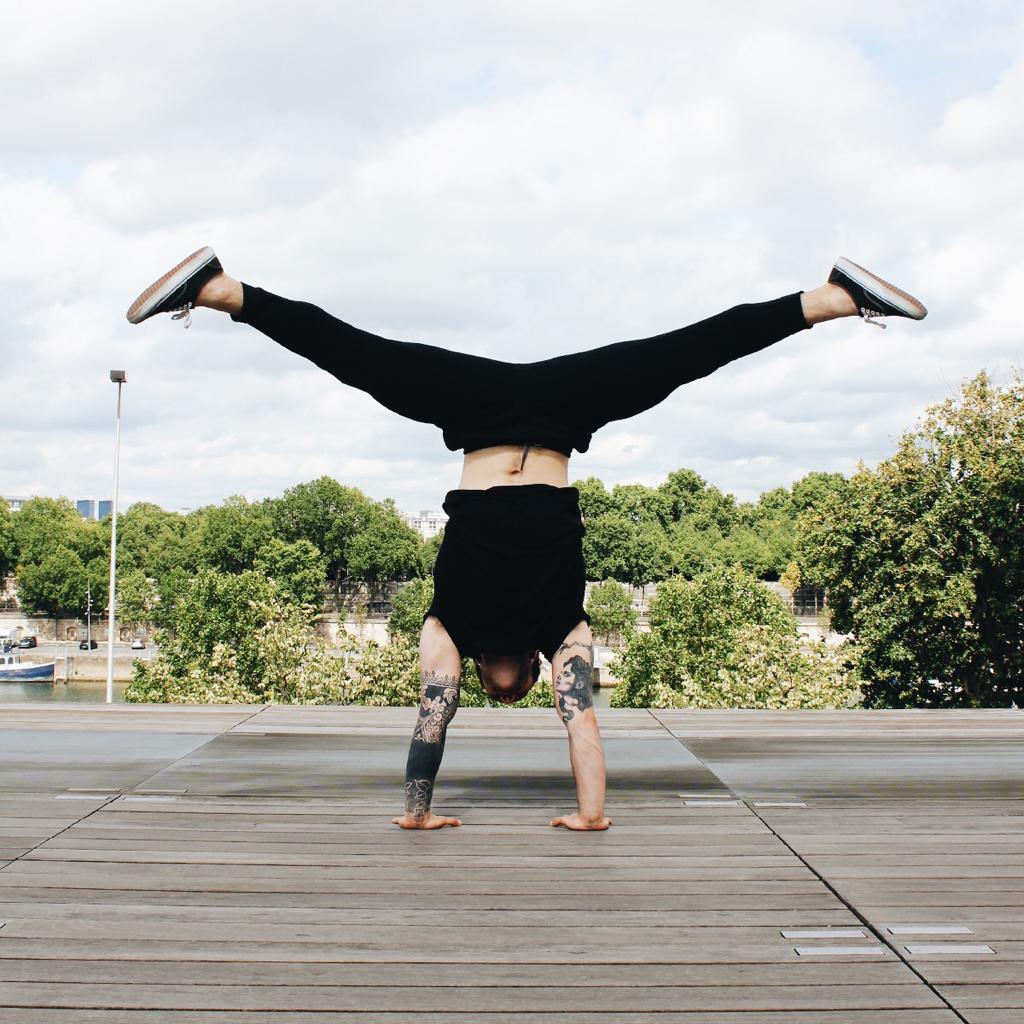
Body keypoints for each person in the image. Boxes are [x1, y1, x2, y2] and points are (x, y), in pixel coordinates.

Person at [126, 248, 927, 831]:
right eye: (516, 693)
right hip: (558, 411)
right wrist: (589, 816)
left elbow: (431, 721)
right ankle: (832, 298)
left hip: (477, 410)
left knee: (355, 356)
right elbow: (576, 720)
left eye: (501, 693)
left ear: (488, 678)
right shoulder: (557, 634)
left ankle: (224, 290)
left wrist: (418, 814)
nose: (506, 691)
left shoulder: (453, 632)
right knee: (687, 353)